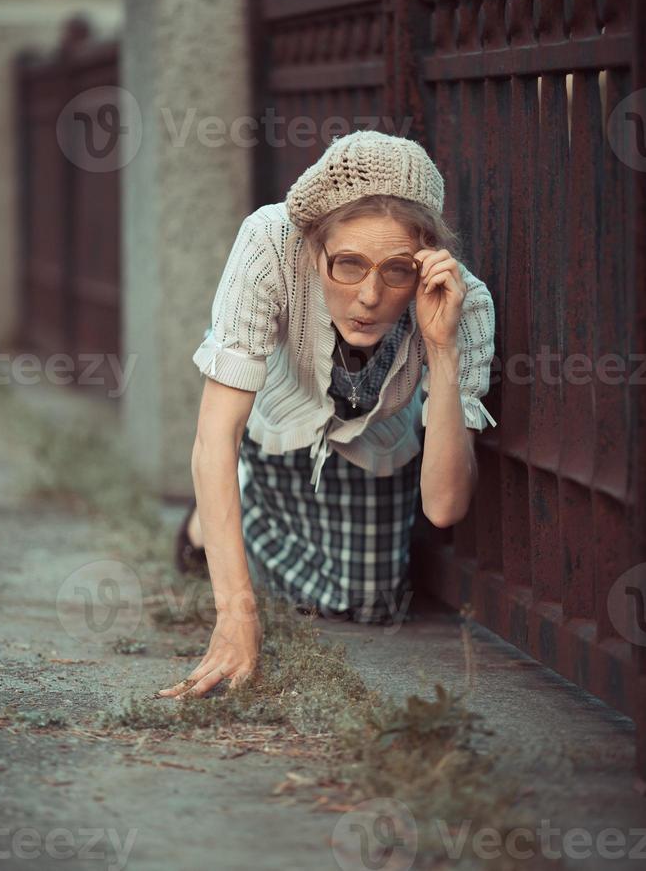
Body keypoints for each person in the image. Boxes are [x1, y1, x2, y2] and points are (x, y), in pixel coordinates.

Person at [155, 129, 497, 702]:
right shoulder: (269, 243)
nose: (368, 296)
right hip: (276, 428)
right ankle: (210, 520)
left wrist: (441, 348)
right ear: (314, 248)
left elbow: (444, 508)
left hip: (375, 444)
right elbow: (215, 437)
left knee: (366, 600)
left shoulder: (464, 303)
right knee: (295, 580)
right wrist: (236, 616)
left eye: (395, 271)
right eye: (348, 264)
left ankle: (249, 519)